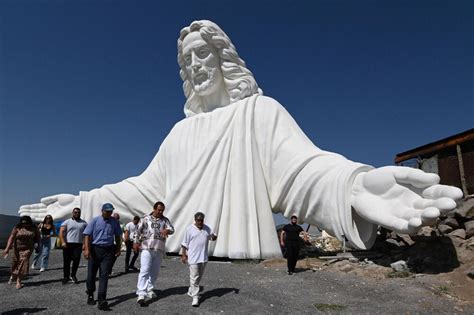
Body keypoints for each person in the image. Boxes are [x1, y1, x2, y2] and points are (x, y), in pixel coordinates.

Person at [19, 20, 463, 259]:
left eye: (202, 55)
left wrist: (353, 184)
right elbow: (146, 189)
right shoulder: (180, 132)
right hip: (183, 249)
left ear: (222, 58)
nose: (195, 66)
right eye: (186, 60)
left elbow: (299, 170)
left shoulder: (259, 111)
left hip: (243, 251)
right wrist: (86, 198)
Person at [133, 201, 174, 305]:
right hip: (147, 247)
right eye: (159, 209)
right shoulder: (145, 218)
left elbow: (172, 229)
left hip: (159, 248)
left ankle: (150, 289)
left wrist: (167, 231)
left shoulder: (165, 220)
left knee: (154, 271)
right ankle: (141, 294)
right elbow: (137, 231)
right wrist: (135, 243)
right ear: (154, 208)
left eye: (162, 210)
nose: (160, 212)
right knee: (145, 270)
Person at [83, 203, 122, 311]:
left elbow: (118, 235)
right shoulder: (95, 221)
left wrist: (118, 248)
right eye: (107, 211)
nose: (109, 213)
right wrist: (87, 249)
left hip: (108, 251)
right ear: (102, 211)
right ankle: (90, 293)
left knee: (104, 275)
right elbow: (87, 235)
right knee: (91, 274)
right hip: (95, 249)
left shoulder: (114, 222)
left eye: (111, 211)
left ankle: (101, 300)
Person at [181, 212, 217, 307]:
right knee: (194, 277)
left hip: (203, 258)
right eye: (198, 221)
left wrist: (214, 237)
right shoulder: (189, 229)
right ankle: (195, 297)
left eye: (201, 220)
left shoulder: (207, 228)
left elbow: (212, 237)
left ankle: (191, 290)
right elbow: (184, 243)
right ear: (195, 220)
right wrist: (183, 255)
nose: (200, 222)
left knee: (198, 277)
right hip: (193, 257)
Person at [3, 216, 40, 289]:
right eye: (23, 223)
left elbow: (38, 237)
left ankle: (18, 281)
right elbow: (12, 237)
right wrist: (7, 248)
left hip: (28, 248)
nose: (25, 225)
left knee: (23, 262)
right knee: (15, 262)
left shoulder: (34, 227)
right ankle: (13, 275)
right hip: (16, 248)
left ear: (29, 222)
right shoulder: (17, 227)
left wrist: (38, 246)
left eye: (26, 223)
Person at [59, 207, 88, 284]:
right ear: (73, 213)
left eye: (78, 212)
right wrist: (63, 242)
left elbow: (86, 235)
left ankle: (73, 275)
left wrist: (85, 244)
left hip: (78, 244)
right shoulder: (67, 222)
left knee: (76, 260)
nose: (77, 214)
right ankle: (66, 277)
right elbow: (61, 232)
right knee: (66, 262)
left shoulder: (84, 223)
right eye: (75, 212)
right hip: (68, 243)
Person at [108, 212, 122, 276]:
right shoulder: (110, 224)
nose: (116, 219)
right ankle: (108, 271)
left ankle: (109, 270)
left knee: (114, 258)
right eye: (115, 218)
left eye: (117, 218)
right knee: (110, 258)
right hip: (111, 243)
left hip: (116, 243)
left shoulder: (119, 225)